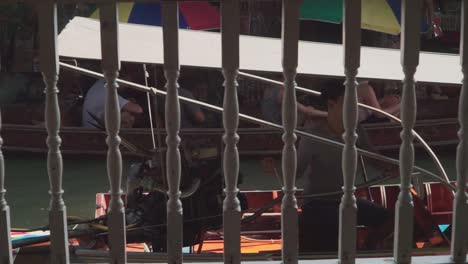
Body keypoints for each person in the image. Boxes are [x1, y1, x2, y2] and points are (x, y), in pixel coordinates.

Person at [297, 79, 397, 252]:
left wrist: (392, 166)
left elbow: (373, 157)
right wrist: (276, 166)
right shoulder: (313, 135)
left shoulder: (357, 129)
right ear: (331, 104)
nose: (356, 109)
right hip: (316, 203)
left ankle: (368, 249)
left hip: (345, 199)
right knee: (341, 221)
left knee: (391, 221)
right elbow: (295, 172)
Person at [261, 83, 327, 124]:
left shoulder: (270, 88)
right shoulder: (282, 93)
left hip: (271, 123)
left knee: (306, 100)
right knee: (308, 110)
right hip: (281, 127)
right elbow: (308, 112)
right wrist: (328, 114)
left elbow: (289, 102)